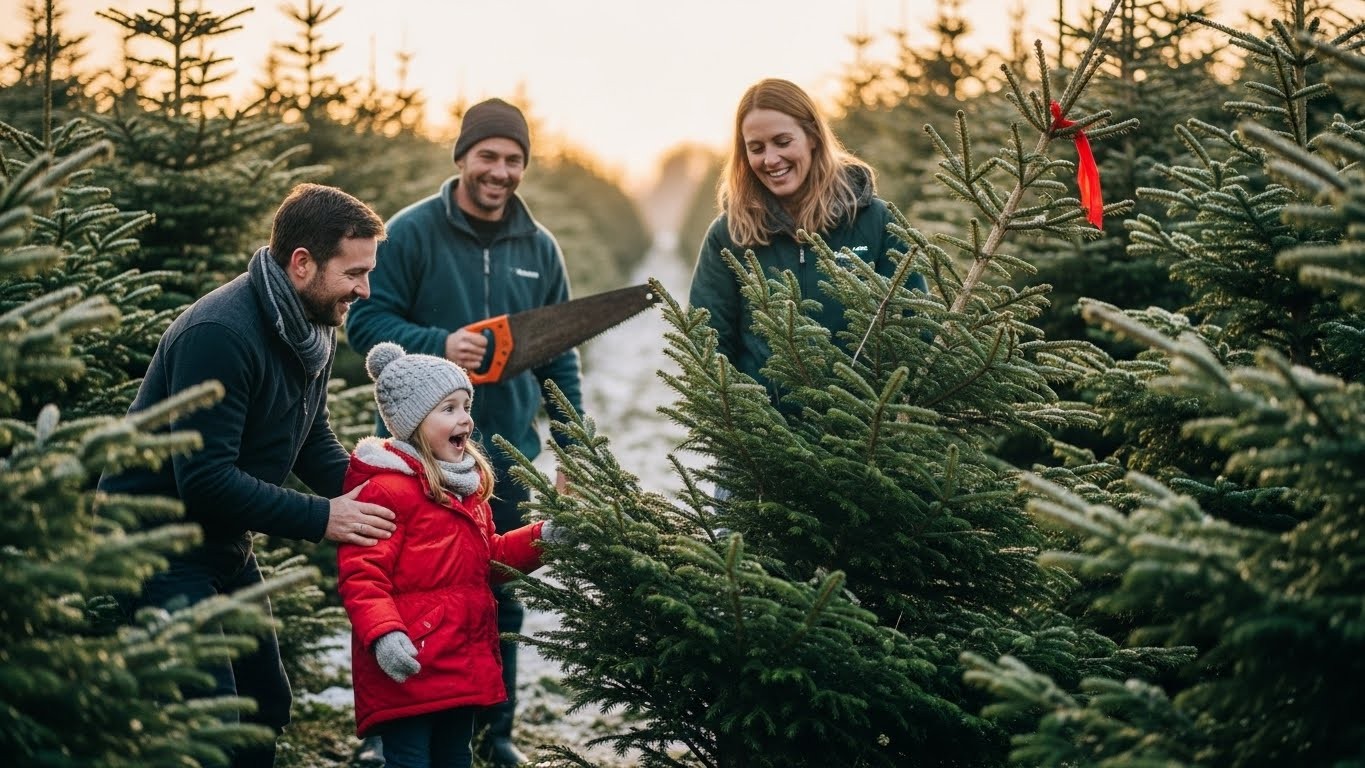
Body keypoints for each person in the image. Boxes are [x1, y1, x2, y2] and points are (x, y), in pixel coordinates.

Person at [97, 183, 398, 768]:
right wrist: (325, 518)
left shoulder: (311, 323)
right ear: (302, 264)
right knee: (211, 720)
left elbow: (311, 438)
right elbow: (205, 480)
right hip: (154, 545)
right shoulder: (221, 335)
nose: (365, 289)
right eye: (355, 272)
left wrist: (382, 490)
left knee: (265, 702)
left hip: (222, 539)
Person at [345, 97, 581, 767]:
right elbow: (365, 320)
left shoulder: (539, 248)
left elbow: (560, 354)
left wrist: (572, 446)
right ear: (462, 157)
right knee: (401, 591)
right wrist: (436, 344)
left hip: (502, 456)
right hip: (414, 468)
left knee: (497, 594)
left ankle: (491, 730)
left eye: (513, 160)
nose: (500, 171)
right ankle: (394, 734)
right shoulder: (412, 233)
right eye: (488, 156)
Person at [339, 342, 559, 768]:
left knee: (455, 756)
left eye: (465, 406)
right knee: (410, 759)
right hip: (410, 661)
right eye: (449, 408)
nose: (466, 418)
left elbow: (488, 559)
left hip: (460, 660)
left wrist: (545, 537)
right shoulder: (385, 490)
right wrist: (385, 635)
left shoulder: (466, 486)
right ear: (415, 423)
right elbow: (362, 577)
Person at [688, 77, 928, 405]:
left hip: (865, 435)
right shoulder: (729, 235)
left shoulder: (876, 222)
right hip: (763, 440)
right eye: (756, 148)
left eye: (782, 142)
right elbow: (708, 344)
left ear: (813, 136)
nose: (770, 159)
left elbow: (916, 326)